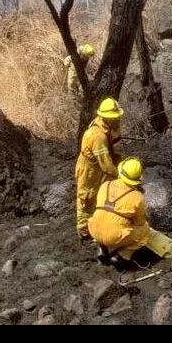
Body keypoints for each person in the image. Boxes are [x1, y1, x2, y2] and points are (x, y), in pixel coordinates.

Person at [87, 157, 160, 267]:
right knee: (145, 232)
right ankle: (120, 256)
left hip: (93, 229)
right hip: (114, 236)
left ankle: (101, 249)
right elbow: (140, 222)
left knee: (103, 218)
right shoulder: (137, 197)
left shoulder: (105, 185)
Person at [74, 97, 124, 242]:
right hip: (89, 169)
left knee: (96, 194)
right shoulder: (98, 136)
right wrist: (120, 176)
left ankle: (94, 224)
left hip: (94, 167)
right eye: (115, 118)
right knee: (86, 196)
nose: (117, 120)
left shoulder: (102, 125)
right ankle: (84, 231)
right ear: (106, 117)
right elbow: (106, 165)